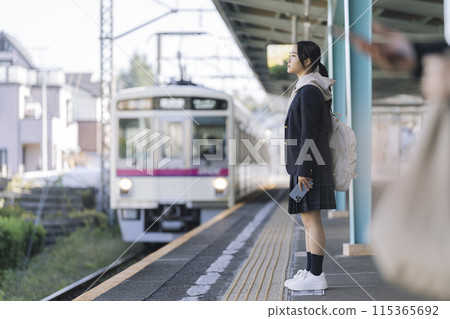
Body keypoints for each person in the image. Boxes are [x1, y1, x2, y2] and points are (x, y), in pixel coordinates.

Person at [283, 41, 336, 291]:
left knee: (312, 221)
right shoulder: (305, 88)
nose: (288, 59)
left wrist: (304, 169)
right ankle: (311, 272)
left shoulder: (310, 91)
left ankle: (316, 275)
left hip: (309, 166)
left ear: (307, 61)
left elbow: (309, 133)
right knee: (307, 221)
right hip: (305, 165)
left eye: (293, 55)